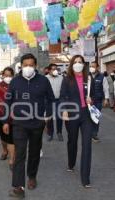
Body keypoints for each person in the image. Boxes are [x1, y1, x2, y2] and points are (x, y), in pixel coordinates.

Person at [3, 54, 54, 198]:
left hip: (37, 123)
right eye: (25, 65)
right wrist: (6, 121)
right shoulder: (15, 82)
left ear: (36, 66)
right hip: (19, 123)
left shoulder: (43, 81)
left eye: (31, 65)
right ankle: (19, 187)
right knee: (19, 154)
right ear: (21, 66)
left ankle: (32, 176)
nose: (28, 68)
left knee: (34, 152)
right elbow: (8, 102)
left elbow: (51, 100)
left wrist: (47, 116)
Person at [60, 55, 95, 188]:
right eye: (75, 62)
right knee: (72, 140)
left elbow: (96, 96)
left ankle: (85, 178)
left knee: (87, 145)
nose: (78, 64)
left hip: (86, 115)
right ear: (71, 64)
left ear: (84, 64)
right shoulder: (67, 79)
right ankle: (71, 162)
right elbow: (62, 96)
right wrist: (64, 110)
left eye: (80, 62)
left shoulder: (89, 78)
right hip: (72, 114)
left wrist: (92, 99)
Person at [0, 67, 15, 169]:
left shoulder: (16, 86)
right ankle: (4, 150)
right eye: (6, 75)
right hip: (0, 114)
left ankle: (12, 158)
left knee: (11, 137)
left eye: (10, 75)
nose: (8, 77)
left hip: (13, 116)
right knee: (3, 136)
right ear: (2, 75)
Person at [89, 61, 109, 142]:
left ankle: (94, 134)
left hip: (97, 101)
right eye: (91, 66)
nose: (92, 68)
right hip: (88, 102)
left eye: (93, 66)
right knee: (87, 118)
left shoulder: (102, 77)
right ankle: (88, 133)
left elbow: (106, 88)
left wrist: (106, 99)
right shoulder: (87, 76)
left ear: (97, 67)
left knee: (95, 118)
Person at [46, 63, 64, 141]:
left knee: (59, 117)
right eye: (53, 69)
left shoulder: (61, 78)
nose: (55, 70)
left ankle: (59, 132)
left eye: (56, 69)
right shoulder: (45, 78)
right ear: (49, 70)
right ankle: (50, 134)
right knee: (49, 118)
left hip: (59, 100)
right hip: (48, 101)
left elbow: (64, 89)